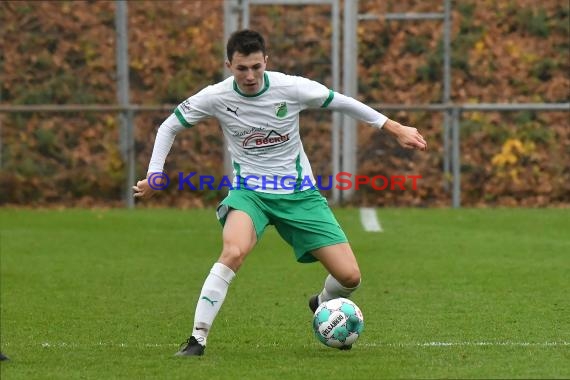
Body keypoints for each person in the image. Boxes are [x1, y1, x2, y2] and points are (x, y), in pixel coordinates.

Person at [133, 29, 427, 357]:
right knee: (233, 251)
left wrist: (395, 128)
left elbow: (343, 102)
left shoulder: (291, 87)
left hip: (300, 194)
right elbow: (170, 125)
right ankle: (196, 339)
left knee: (350, 276)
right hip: (250, 195)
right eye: (242, 68)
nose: (250, 76)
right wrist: (154, 174)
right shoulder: (216, 96)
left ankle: (323, 302)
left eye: (256, 67)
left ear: (266, 62)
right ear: (228, 64)